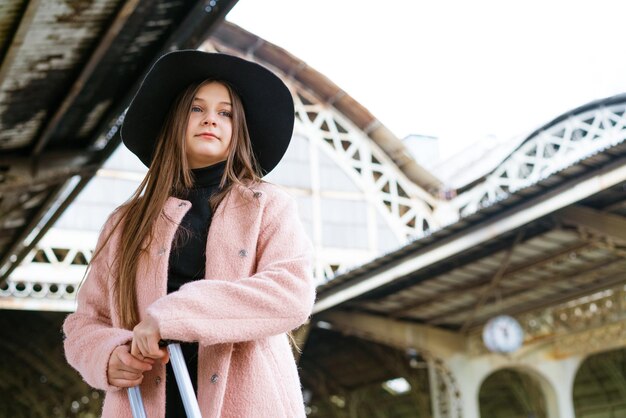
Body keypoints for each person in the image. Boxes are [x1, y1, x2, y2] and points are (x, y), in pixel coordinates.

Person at [63, 50, 316, 417]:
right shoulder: (124, 223)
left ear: (238, 129)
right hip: (142, 405)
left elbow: (291, 293)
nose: (210, 119)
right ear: (174, 121)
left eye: (225, 112)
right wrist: (108, 354)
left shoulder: (268, 205)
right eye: (196, 109)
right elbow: (85, 322)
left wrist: (172, 314)